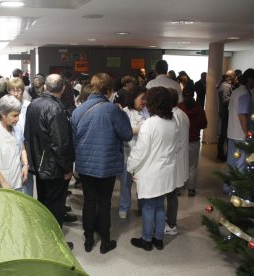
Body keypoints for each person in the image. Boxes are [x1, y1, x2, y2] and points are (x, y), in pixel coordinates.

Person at [72, 73, 133, 254]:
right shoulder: (113, 110)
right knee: (105, 203)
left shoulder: (78, 110)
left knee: (89, 202)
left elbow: (73, 139)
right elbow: (127, 134)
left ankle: (89, 239)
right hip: (107, 164)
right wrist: (123, 114)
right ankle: (105, 241)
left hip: (85, 165)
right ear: (108, 90)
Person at [128, 86, 178, 251]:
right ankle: (158, 238)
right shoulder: (173, 122)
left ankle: (146, 240)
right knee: (159, 206)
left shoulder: (150, 124)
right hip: (166, 171)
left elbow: (140, 151)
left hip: (150, 172)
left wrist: (131, 167)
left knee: (148, 206)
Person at [24, 74, 74, 230]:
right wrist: (66, 168)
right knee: (55, 206)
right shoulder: (56, 108)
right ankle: (55, 242)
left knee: (44, 202)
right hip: (53, 167)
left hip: (39, 163)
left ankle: (44, 237)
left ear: (45, 86)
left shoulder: (33, 104)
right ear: (63, 88)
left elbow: (28, 135)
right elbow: (60, 143)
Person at [0, 78, 34, 196]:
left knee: (26, 182)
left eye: (18, 90)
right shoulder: (3, 106)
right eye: (12, 90)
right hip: (7, 149)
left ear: (23, 90)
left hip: (24, 147)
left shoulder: (28, 106)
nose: (15, 93)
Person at [0, 95, 28, 191]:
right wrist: (3, 182)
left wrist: (25, 165)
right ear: (3, 115)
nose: (18, 119)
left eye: (18, 115)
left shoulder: (17, 127)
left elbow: (22, 147)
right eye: (14, 116)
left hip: (17, 180)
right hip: (0, 184)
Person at [225, 68, 254, 194]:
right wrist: (247, 134)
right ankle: (235, 192)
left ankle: (228, 188)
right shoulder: (244, 93)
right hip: (241, 135)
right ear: (251, 78)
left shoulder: (236, 91)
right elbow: (242, 115)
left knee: (231, 162)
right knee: (240, 165)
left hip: (232, 133)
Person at [118, 87, 146, 219]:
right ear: (133, 99)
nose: (144, 102)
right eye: (142, 99)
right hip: (127, 154)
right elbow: (123, 132)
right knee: (125, 183)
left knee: (142, 184)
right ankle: (124, 207)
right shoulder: (124, 112)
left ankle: (142, 207)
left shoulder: (147, 112)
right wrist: (140, 129)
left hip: (143, 156)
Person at [165, 88, 189, 236]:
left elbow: (173, 142)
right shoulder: (181, 114)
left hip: (174, 161)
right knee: (172, 195)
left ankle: (171, 224)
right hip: (178, 160)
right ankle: (170, 221)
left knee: (171, 196)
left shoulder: (174, 116)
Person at [178, 87, 207, 197]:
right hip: (194, 141)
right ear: (193, 95)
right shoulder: (199, 109)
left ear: (183, 95)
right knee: (192, 166)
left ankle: (179, 188)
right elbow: (203, 124)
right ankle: (191, 189)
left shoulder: (179, 108)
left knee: (180, 164)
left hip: (181, 141)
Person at [217, 70, 236, 161]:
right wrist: (235, 98)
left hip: (225, 112)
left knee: (224, 134)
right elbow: (225, 100)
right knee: (224, 135)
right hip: (226, 113)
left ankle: (222, 154)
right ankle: (221, 154)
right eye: (234, 76)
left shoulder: (224, 85)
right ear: (230, 77)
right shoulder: (226, 86)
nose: (235, 78)